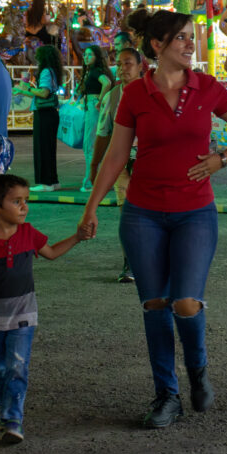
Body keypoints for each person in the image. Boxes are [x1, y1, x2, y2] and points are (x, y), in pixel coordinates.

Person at [77, 8, 227, 429]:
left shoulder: (207, 87)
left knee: (186, 301)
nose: (190, 44)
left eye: (191, 37)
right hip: (142, 213)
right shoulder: (134, 94)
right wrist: (90, 207)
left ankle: (197, 370)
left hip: (195, 211)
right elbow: (117, 155)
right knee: (154, 303)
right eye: (181, 38)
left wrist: (221, 160)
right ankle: (166, 395)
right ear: (157, 46)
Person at [0, 173, 84, 444]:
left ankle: (13, 418)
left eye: (26, 200)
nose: (25, 207)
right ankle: (5, 409)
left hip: (25, 313)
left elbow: (50, 252)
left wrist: (77, 237)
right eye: (17, 201)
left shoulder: (29, 233)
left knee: (17, 366)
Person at [89, 46, 144, 283]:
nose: (122, 69)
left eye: (128, 63)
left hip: (147, 162)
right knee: (127, 213)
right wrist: (94, 165)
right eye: (119, 64)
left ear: (141, 66)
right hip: (121, 162)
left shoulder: (154, 91)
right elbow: (103, 132)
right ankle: (130, 263)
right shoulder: (113, 95)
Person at [15, 44, 62, 192]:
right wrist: (21, 90)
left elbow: (43, 93)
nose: (35, 57)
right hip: (49, 112)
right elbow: (40, 93)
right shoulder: (52, 71)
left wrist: (27, 88)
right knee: (49, 148)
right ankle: (52, 180)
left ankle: (45, 183)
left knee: (42, 148)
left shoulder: (46, 72)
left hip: (44, 113)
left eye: (38, 55)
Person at [76, 45, 114, 192]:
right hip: (92, 106)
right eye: (85, 54)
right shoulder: (92, 72)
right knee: (93, 144)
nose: (86, 57)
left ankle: (90, 181)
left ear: (96, 57)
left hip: (93, 108)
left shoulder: (95, 72)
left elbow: (107, 83)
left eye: (90, 55)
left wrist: (99, 101)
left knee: (90, 145)